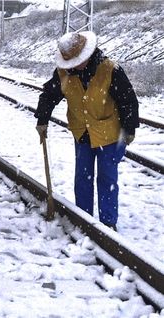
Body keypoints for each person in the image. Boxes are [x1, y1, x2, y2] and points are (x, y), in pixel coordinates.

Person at [35, 31, 139, 231]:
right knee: (83, 177)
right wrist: (42, 118)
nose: (72, 66)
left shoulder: (110, 70)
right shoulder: (64, 73)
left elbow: (128, 100)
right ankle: (83, 218)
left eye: (76, 61)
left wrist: (129, 128)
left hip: (109, 133)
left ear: (87, 56)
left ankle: (108, 223)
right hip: (81, 132)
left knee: (107, 178)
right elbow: (49, 95)